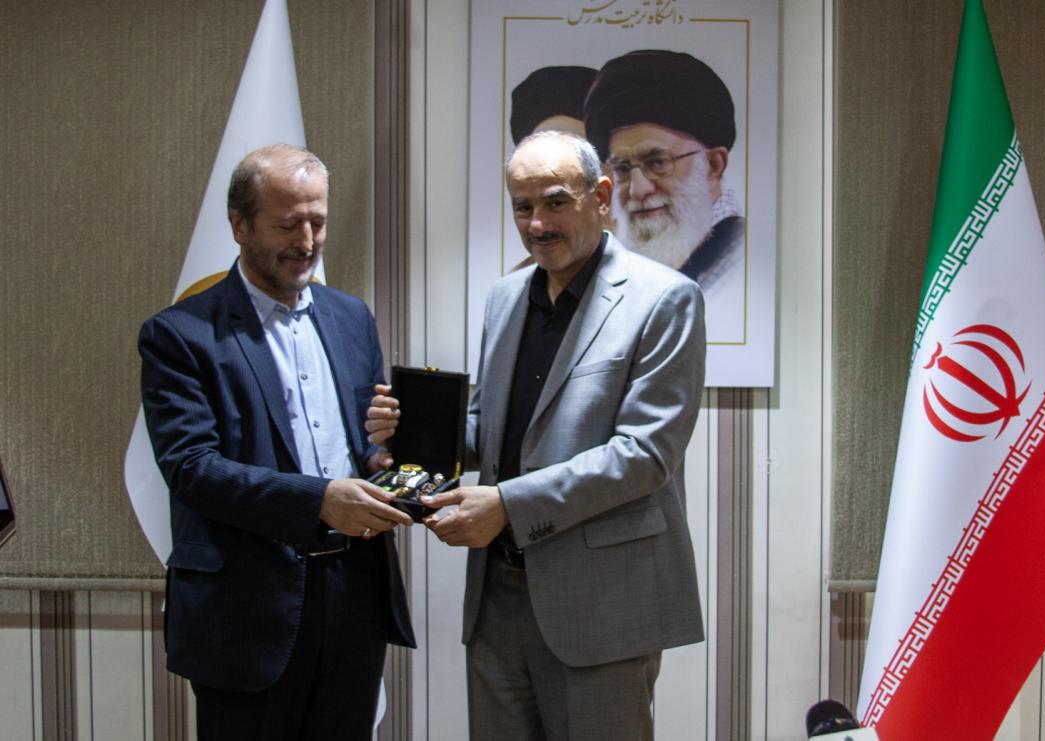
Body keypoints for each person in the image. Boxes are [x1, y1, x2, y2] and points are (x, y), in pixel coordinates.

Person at [368, 131, 705, 738]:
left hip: (602, 603)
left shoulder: (665, 299)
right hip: (496, 599)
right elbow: (492, 429)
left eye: (554, 202)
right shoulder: (504, 298)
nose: (537, 224)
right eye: (522, 207)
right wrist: (409, 437)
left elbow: (645, 454)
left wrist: (507, 505)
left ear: (601, 196)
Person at [138, 144, 415, 740]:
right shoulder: (179, 335)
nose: (308, 241)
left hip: (355, 595)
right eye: (288, 224)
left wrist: (384, 458)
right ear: (239, 225)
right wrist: (320, 500)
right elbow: (191, 468)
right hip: (244, 610)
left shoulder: (352, 317)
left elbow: (360, 446)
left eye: (318, 221)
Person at [583, 49, 743, 339]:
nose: (638, 189)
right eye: (622, 168)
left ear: (713, 165)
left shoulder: (734, 258)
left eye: (657, 163)